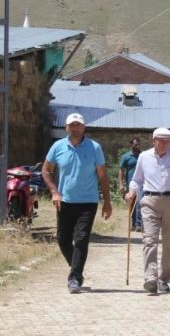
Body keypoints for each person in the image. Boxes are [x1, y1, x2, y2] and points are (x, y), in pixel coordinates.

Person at [41, 112, 112, 294]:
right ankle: (76, 267)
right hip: (64, 201)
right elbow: (46, 171)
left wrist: (107, 202)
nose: (75, 128)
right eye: (71, 125)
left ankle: (75, 278)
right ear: (66, 128)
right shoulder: (57, 147)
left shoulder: (94, 148)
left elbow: (102, 176)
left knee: (81, 239)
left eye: (78, 125)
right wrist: (55, 192)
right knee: (63, 239)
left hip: (88, 201)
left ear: (83, 127)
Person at [125, 127, 170, 295]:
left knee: (169, 243)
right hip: (150, 200)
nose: (164, 144)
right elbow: (137, 180)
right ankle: (150, 278)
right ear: (153, 141)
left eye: (167, 141)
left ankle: (164, 279)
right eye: (161, 140)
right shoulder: (144, 157)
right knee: (149, 240)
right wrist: (131, 191)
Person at [118, 137, 142, 231]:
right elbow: (121, 170)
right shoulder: (126, 157)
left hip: (141, 183)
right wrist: (121, 184)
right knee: (132, 203)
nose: (137, 146)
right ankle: (133, 224)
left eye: (138, 144)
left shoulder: (142, 155)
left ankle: (138, 224)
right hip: (130, 183)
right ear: (131, 145)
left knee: (140, 202)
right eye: (135, 144)